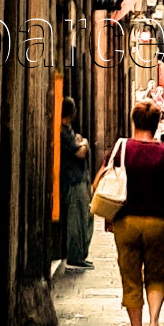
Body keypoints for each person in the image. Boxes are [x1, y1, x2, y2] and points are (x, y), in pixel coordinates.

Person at [96, 100, 164, 326]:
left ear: (134, 122)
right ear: (156, 125)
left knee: (131, 281)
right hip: (156, 221)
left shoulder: (121, 149)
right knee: (155, 277)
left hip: (126, 222)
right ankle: (154, 322)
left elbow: (101, 180)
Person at [60, 97, 94, 269]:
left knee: (85, 216)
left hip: (78, 178)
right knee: (77, 218)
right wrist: (85, 143)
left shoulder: (68, 130)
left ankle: (79, 254)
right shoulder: (63, 132)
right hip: (73, 181)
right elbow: (79, 152)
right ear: (72, 112)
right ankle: (75, 256)